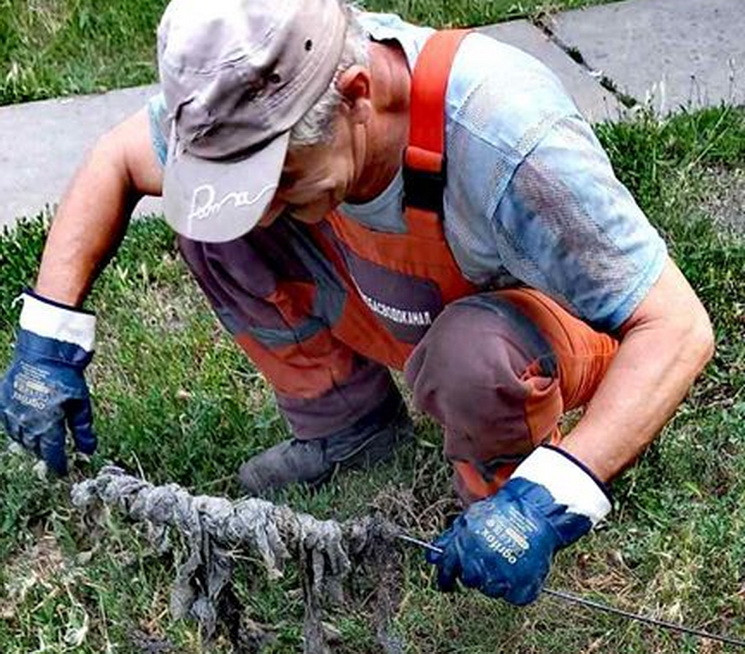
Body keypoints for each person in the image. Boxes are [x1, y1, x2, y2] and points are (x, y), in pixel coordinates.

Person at [0, 0, 714, 605]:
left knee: (474, 356)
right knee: (212, 227)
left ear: (353, 94)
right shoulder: (246, 96)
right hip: (398, 300)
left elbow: (675, 327)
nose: (261, 204)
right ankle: (349, 427)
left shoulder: (506, 136)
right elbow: (117, 159)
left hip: (535, 334)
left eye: (281, 176)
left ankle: (498, 485)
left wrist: (547, 501)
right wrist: (47, 342)